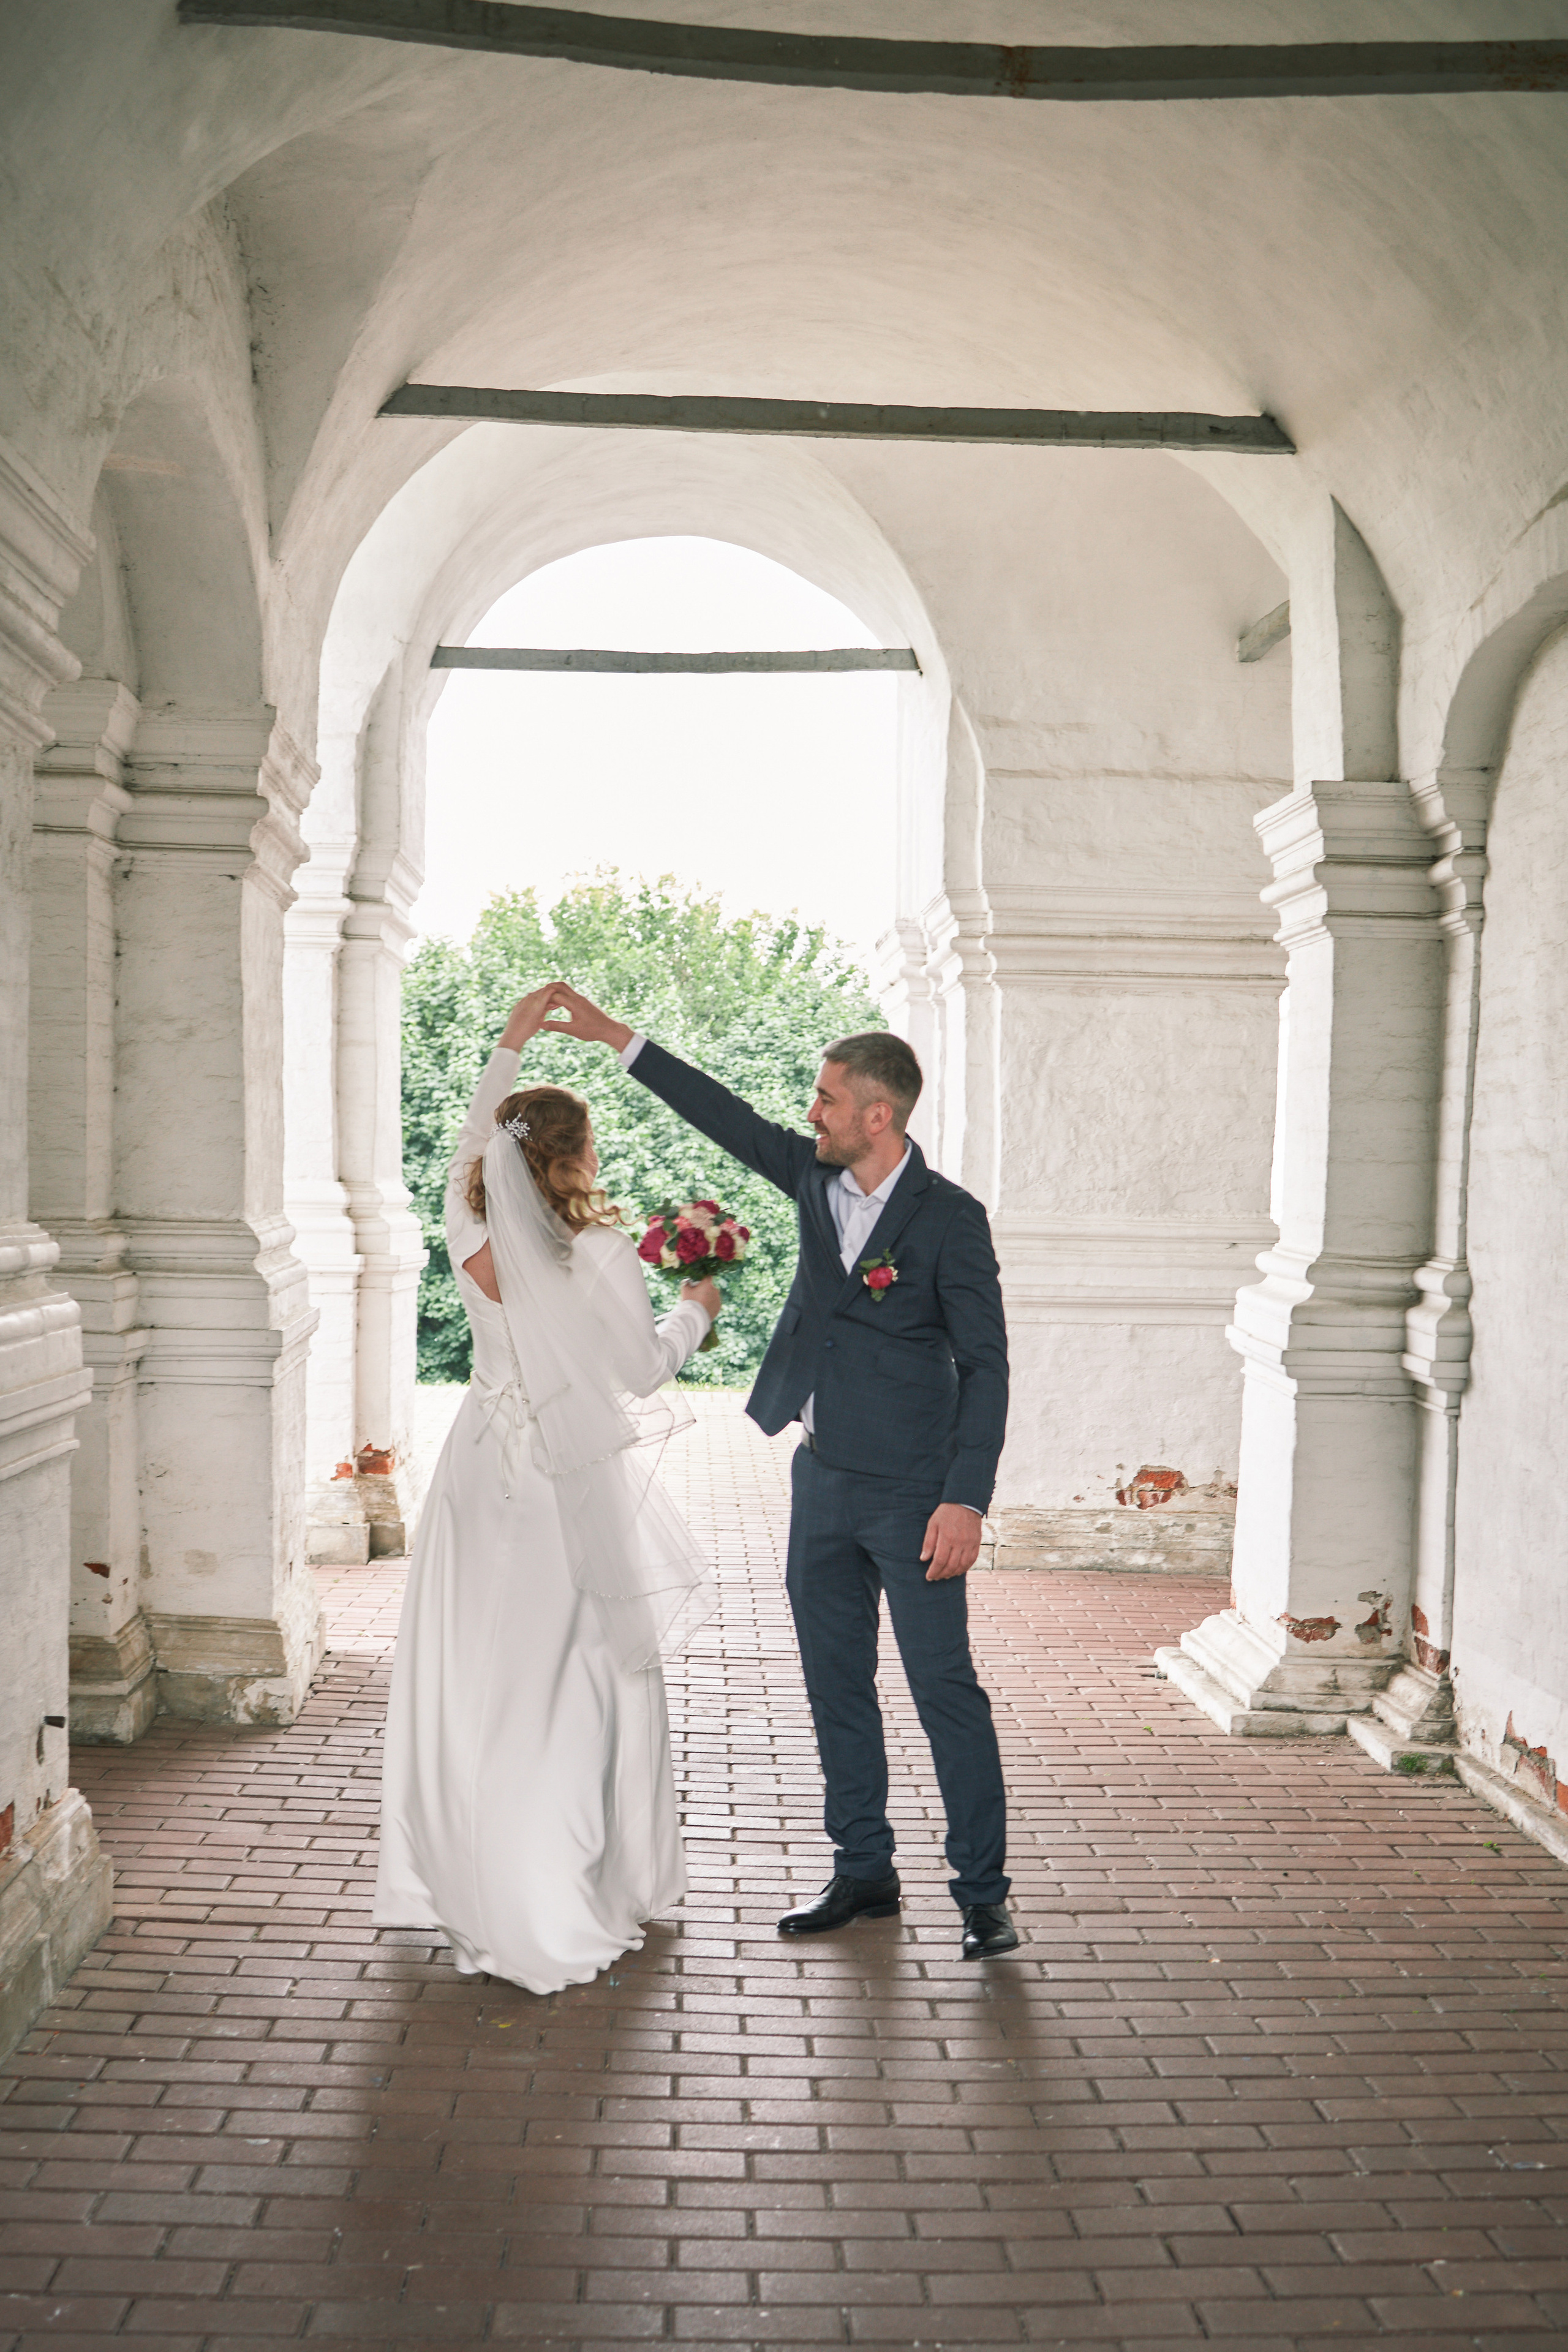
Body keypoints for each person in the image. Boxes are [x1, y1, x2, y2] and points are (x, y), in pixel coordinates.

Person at [543, 985, 1017, 1961]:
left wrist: (966, 1496)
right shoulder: (811, 1177)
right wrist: (617, 1039)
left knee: (944, 1691)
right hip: (823, 1480)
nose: (812, 1112)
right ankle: (864, 1870)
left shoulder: (950, 1220)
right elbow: (721, 1115)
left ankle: (982, 1893)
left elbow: (989, 1365)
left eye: (828, 1099)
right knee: (836, 1685)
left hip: (917, 1496)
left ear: (876, 1115)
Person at [372, 986, 720, 1994]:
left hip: (483, 1469)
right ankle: (557, 1892)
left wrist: (514, 1032)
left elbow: (471, 1138)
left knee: (473, 1671)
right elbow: (641, 1373)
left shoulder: (466, 1222)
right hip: (567, 1485)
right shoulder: (603, 1251)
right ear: (573, 1158)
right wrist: (695, 1309)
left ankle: (465, 1879)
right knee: (573, 1681)